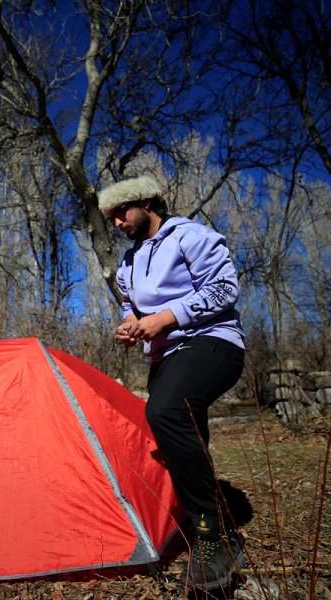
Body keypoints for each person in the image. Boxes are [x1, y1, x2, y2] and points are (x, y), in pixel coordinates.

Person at [98, 175, 247, 593]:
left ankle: (212, 537)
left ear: (145, 202)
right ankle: (211, 520)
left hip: (213, 342)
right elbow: (131, 305)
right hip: (166, 356)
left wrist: (165, 318)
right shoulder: (128, 263)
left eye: (121, 212)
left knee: (162, 409)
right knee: (185, 431)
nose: (116, 223)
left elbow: (224, 289)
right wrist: (129, 325)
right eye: (110, 217)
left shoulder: (190, 235)